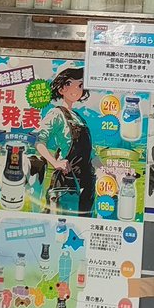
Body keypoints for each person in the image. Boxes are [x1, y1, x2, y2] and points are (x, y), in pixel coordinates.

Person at [36, 65, 96, 216]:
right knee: (62, 222)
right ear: (61, 89)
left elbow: (91, 155)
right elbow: (39, 142)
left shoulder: (80, 118)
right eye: (69, 83)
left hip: (87, 183)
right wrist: (54, 162)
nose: (76, 88)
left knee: (84, 223)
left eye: (80, 85)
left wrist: (106, 171)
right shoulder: (56, 113)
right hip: (66, 182)